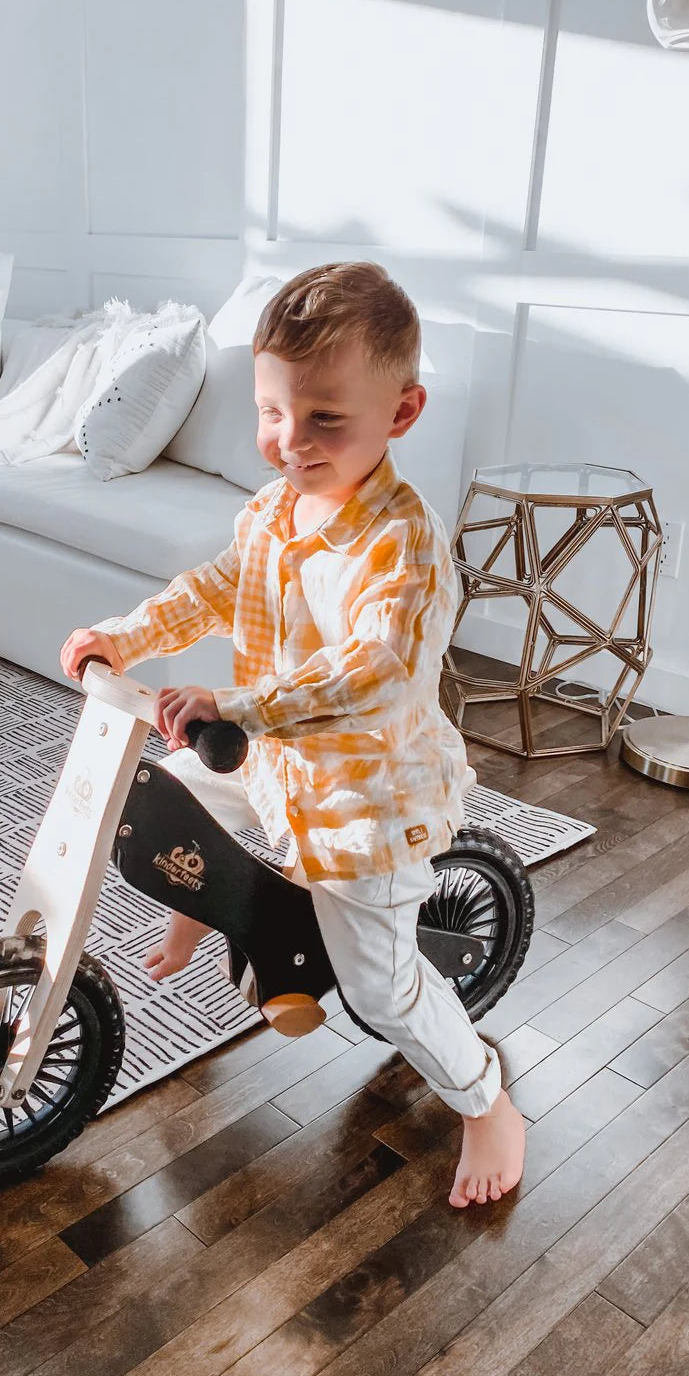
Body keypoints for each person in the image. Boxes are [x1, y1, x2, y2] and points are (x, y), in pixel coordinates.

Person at [60, 261, 525, 1209]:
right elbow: (215, 588)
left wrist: (239, 706)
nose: (290, 441)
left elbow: (371, 673)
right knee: (168, 789)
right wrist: (127, 636)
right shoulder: (273, 510)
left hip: (366, 802)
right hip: (279, 767)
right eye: (274, 412)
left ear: (401, 414)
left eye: (324, 419)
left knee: (380, 994)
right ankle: (223, 903)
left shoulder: (404, 546)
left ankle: (485, 1102)